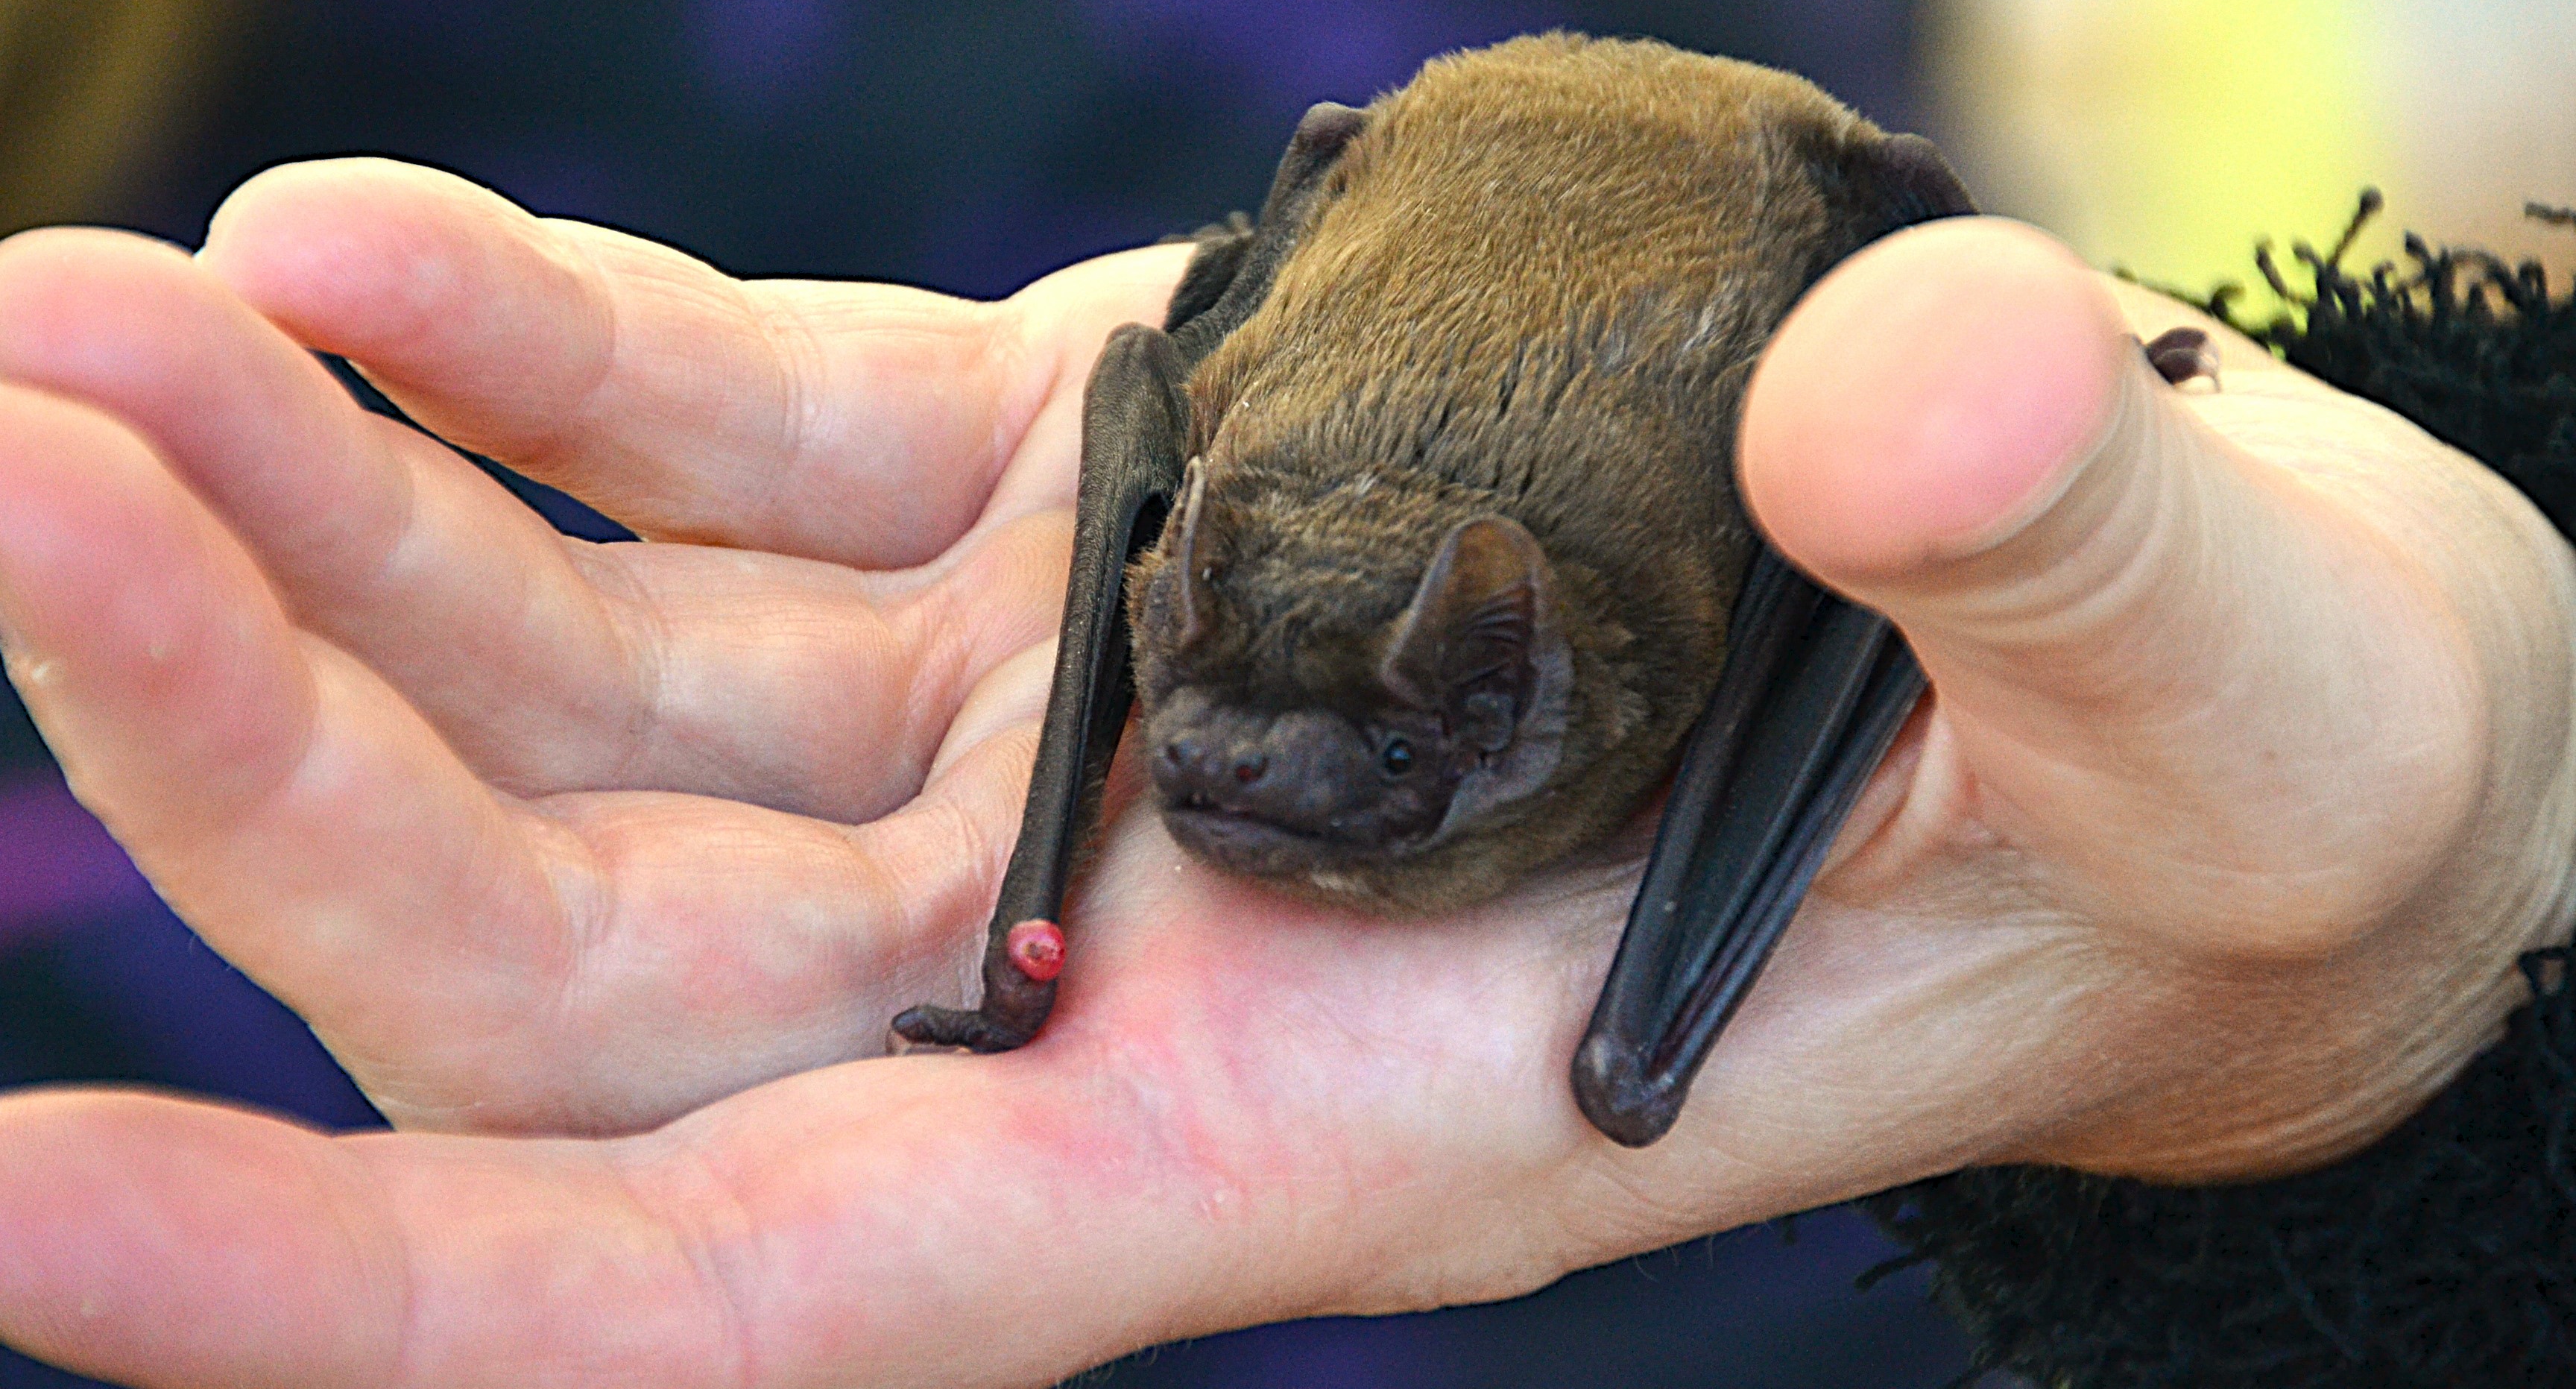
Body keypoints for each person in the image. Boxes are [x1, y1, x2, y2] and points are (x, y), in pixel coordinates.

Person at [0, 152, 2566, 1387]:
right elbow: (1171, 381)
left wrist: (2440, 975)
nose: (1222, 792)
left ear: (1500, 710)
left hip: (1725, 301)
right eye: (1189, 715)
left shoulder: (1691, 602)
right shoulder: (1185, 501)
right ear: (1164, 565)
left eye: (1319, 768)